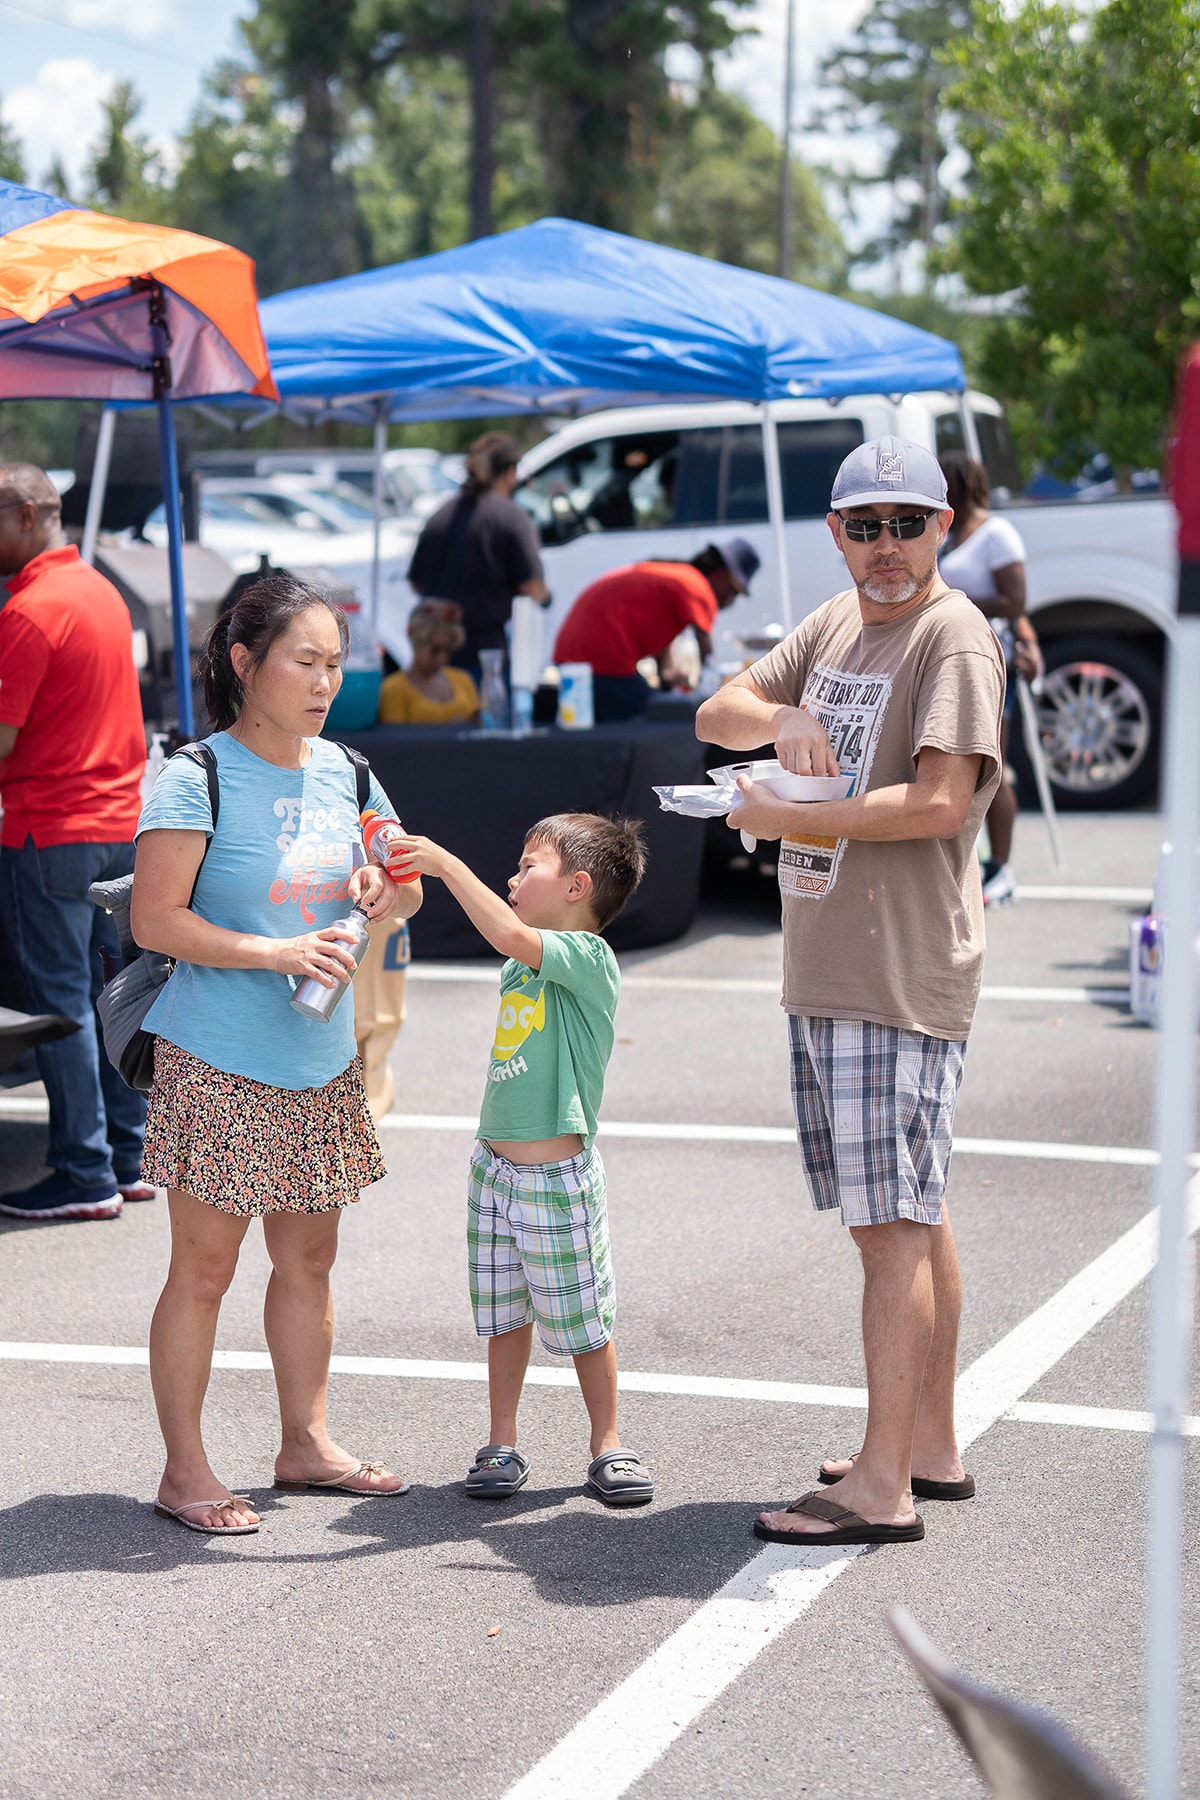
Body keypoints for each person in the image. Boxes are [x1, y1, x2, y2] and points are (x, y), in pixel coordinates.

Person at [695, 436, 1004, 1548]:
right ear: (836, 533)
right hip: (840, 962)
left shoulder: (950, 635)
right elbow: (717, 710)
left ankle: (882, 1485)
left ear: (945, 525)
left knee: (890, 1231)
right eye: (864, 527)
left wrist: (786, 815)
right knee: (915, 1218)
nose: (885, 547)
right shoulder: (836, 624)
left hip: (893, 968)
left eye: (906, 523)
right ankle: (925, 1444)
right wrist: (776, 721)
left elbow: (938, 804)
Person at [132, 574, 423, 1536]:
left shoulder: (349, 771)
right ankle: (185, 1471)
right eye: (305, 661)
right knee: (205, 1270)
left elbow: (406, 885)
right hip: (218, 1055)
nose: (325, 682)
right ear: (244, 663)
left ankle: (305, 1443)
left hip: (319, 1053)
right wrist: (274, 950)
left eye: (335, 663)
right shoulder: (194, 774)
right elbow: (155, 917)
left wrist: (386, 892)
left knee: (310, 1261)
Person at [392, 812, 653, 1507]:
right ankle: (501, 1442)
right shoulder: (525, 959)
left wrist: (446, 864)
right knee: (504, 1314)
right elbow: (512, 940)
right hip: (495, 1170)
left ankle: (608, 1443)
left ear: (577, 886)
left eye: (529, 864)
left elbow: (508, 931)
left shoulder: (586, 954)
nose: (513, 876)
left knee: (583, 1319)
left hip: (555, 1178)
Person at [0, 462, 151, 1223]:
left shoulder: (30, 609)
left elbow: (4, 735)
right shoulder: (99, 592)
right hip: (118, 829)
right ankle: (126, 1158)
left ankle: (83, 1170)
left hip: (48, 830)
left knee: (61, 1005)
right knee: (112, 995)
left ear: (28, 515)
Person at [939, 451, 1042, 907]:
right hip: (954, 659)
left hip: (991, 660)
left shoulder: (996, 533)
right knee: (963, 764)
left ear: (960, 483)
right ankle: (973, 862)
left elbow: (1015, 601)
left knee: (993, 767)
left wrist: (955, 601)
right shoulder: (949, 534)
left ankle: (1001, 868)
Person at [552, 538, 761, 722]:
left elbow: (659, 639)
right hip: (601, 662)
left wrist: (667, 683)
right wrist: (717, 695)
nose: (730, 601)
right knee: (663, 718)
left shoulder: (674, 576)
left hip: (572, 659)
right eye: (733, 591)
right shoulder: (696, 585)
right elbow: (705, 646)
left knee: (656, 707)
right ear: (721, 575)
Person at [407, 431, 549, 675]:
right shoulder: (512, 517)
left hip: (433, 657)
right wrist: (547, 599)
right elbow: (532, 587)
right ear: (510, 473)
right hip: (484, 656)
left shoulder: (440, 515)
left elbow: (416, 583)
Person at [378, 600, 480, 725]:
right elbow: (394, 742)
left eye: (448, 650)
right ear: (416, 642)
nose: (442, 658)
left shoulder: (463, 679)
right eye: (435, 650)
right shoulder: (393, 689)